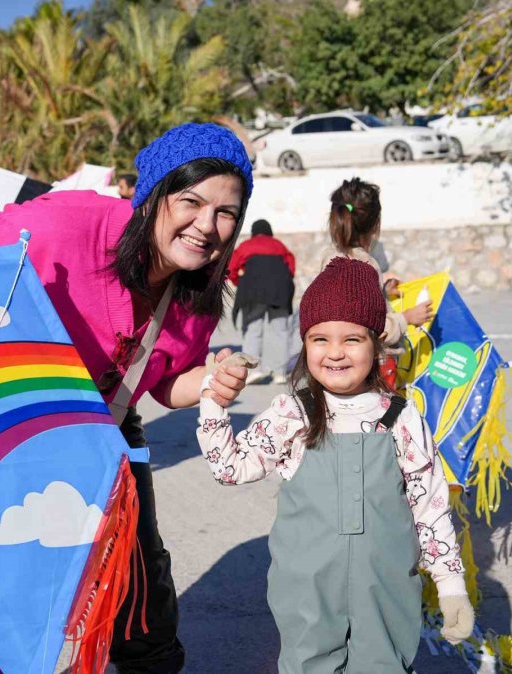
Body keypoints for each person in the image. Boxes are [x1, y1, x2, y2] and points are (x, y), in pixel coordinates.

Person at [0, 122, 254, 673]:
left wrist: (207, 382)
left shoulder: (198, 293)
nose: (207, 226)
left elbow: (163, 385)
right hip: (11, 426)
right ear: (153, 195)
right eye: (191, 202)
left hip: (109, 431)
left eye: (225, 213)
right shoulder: (71, 221)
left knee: (140, 590)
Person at [195, 258, 474, 673]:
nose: (336, 352)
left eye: (352, 339)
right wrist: (213, 400)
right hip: (305, 593)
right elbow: (229, 468)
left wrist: (451, 584)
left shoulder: (401, 416)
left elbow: (429, 505)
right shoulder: (292, 413)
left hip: (386, 592)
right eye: (320, 338)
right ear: (304, 343)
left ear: (377, 343)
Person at [321, 178, 432, 349]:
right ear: (375, 224)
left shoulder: (333, 258)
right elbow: (368, 328)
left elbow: (349, 307)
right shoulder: (362, 265)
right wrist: (407, 318)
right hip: (367, 368)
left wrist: (382, 291)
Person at [228, 219, 295, 385]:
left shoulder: (246, 245)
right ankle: (279, 373)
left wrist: (240, 282)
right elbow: (291, 267)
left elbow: (232, 268)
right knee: (280, 331)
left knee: (253, 329)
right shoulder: (279, 245)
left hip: (253, 291)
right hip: (279, 291)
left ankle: (253, 370)